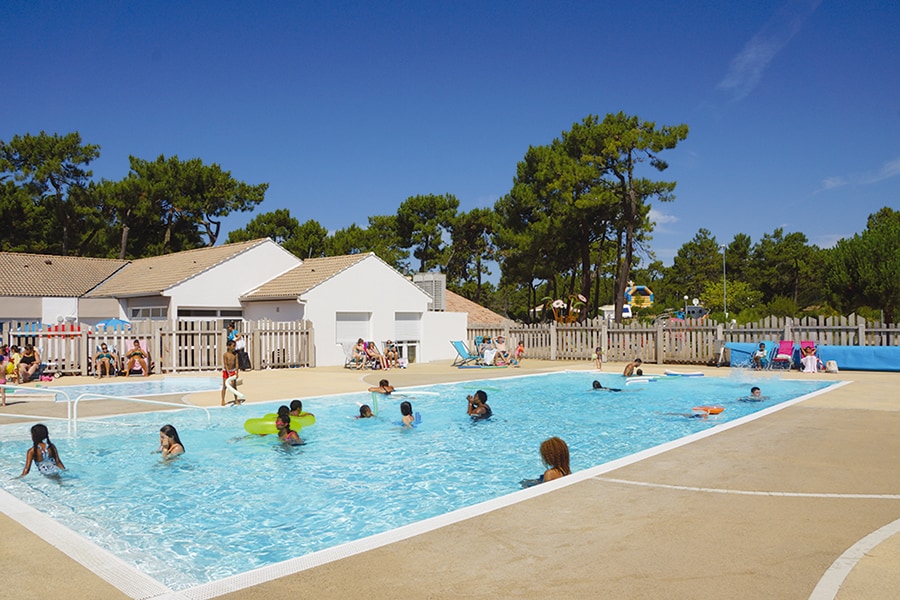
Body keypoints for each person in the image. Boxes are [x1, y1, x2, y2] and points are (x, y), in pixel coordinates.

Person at [221, 339, 245, 405]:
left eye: (235, 346)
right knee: (225, 386)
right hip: (226, 371)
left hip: (233, 371)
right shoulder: (225, 355)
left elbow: (237, 363)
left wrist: (237, 373)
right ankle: (223, 400)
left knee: (234, 386)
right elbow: (225, 364)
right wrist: (228, 373)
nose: (234, 347)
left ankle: (236, 399)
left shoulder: (235, 354)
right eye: (233, 346)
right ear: (228, 346)